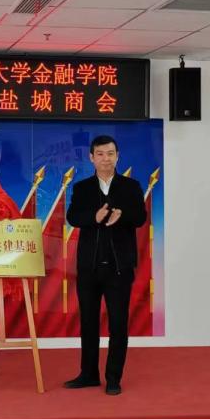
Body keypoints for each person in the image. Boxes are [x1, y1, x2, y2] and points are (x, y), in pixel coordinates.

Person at [64, 135, 147, 395]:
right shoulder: (82, 188)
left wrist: (123, 215)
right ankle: (88, 374)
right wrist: (94, 216)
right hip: (89, 267)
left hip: (119, 267)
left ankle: (113, 378)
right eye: (100, 154)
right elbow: (72, 217)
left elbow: (140, 217)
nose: (105, 159)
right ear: (91, 158)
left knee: (118, 324)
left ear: (117, 156)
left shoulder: (131, 186)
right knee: (88, 323)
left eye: (110, 153)